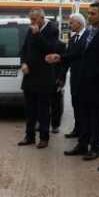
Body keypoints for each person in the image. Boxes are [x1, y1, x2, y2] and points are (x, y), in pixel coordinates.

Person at [47, 3, 99, 160]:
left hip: (98, 83)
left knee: (96, 117)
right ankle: (82, 144)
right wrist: (60, 57)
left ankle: (94, 148)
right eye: (89, 13)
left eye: (93, 13)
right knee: (84, 115)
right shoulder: (89, 31)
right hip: (84, 81)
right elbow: (79, 53)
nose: (90, 16)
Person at [19, 9, 61, 149]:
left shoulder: (52, 30)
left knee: (43, 109)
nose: (32, 22)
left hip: (44, 77)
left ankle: (44, 138)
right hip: (29, 75)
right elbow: (24, 49)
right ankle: (29, 136)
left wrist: (37, 34)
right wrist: (23, 63)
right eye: (30, 19)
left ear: (42, 18)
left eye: (34, 19)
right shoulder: (30, 29)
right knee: (29, 109)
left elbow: (50, 49)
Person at [61, 13, 88, 139]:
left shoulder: (89, 36)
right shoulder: (72, 39)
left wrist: (59, 57)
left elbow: (76, 54)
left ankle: (85, 132)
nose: (69, 25)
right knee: (76, 104)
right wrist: (61, 77)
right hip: (75, 78)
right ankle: (77, 129)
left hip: (86, 78)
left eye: (71, 22)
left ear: (79, 23)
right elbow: (68, 60)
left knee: (84, 107)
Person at [50, 39, 67, 134]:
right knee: (42, 102)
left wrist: (61, 79)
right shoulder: (41, 42)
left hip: (56, 78)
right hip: (43, 78)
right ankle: (41, 122)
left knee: (56, 103)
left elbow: (64, 64)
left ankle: (55, 125)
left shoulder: (61, 45)